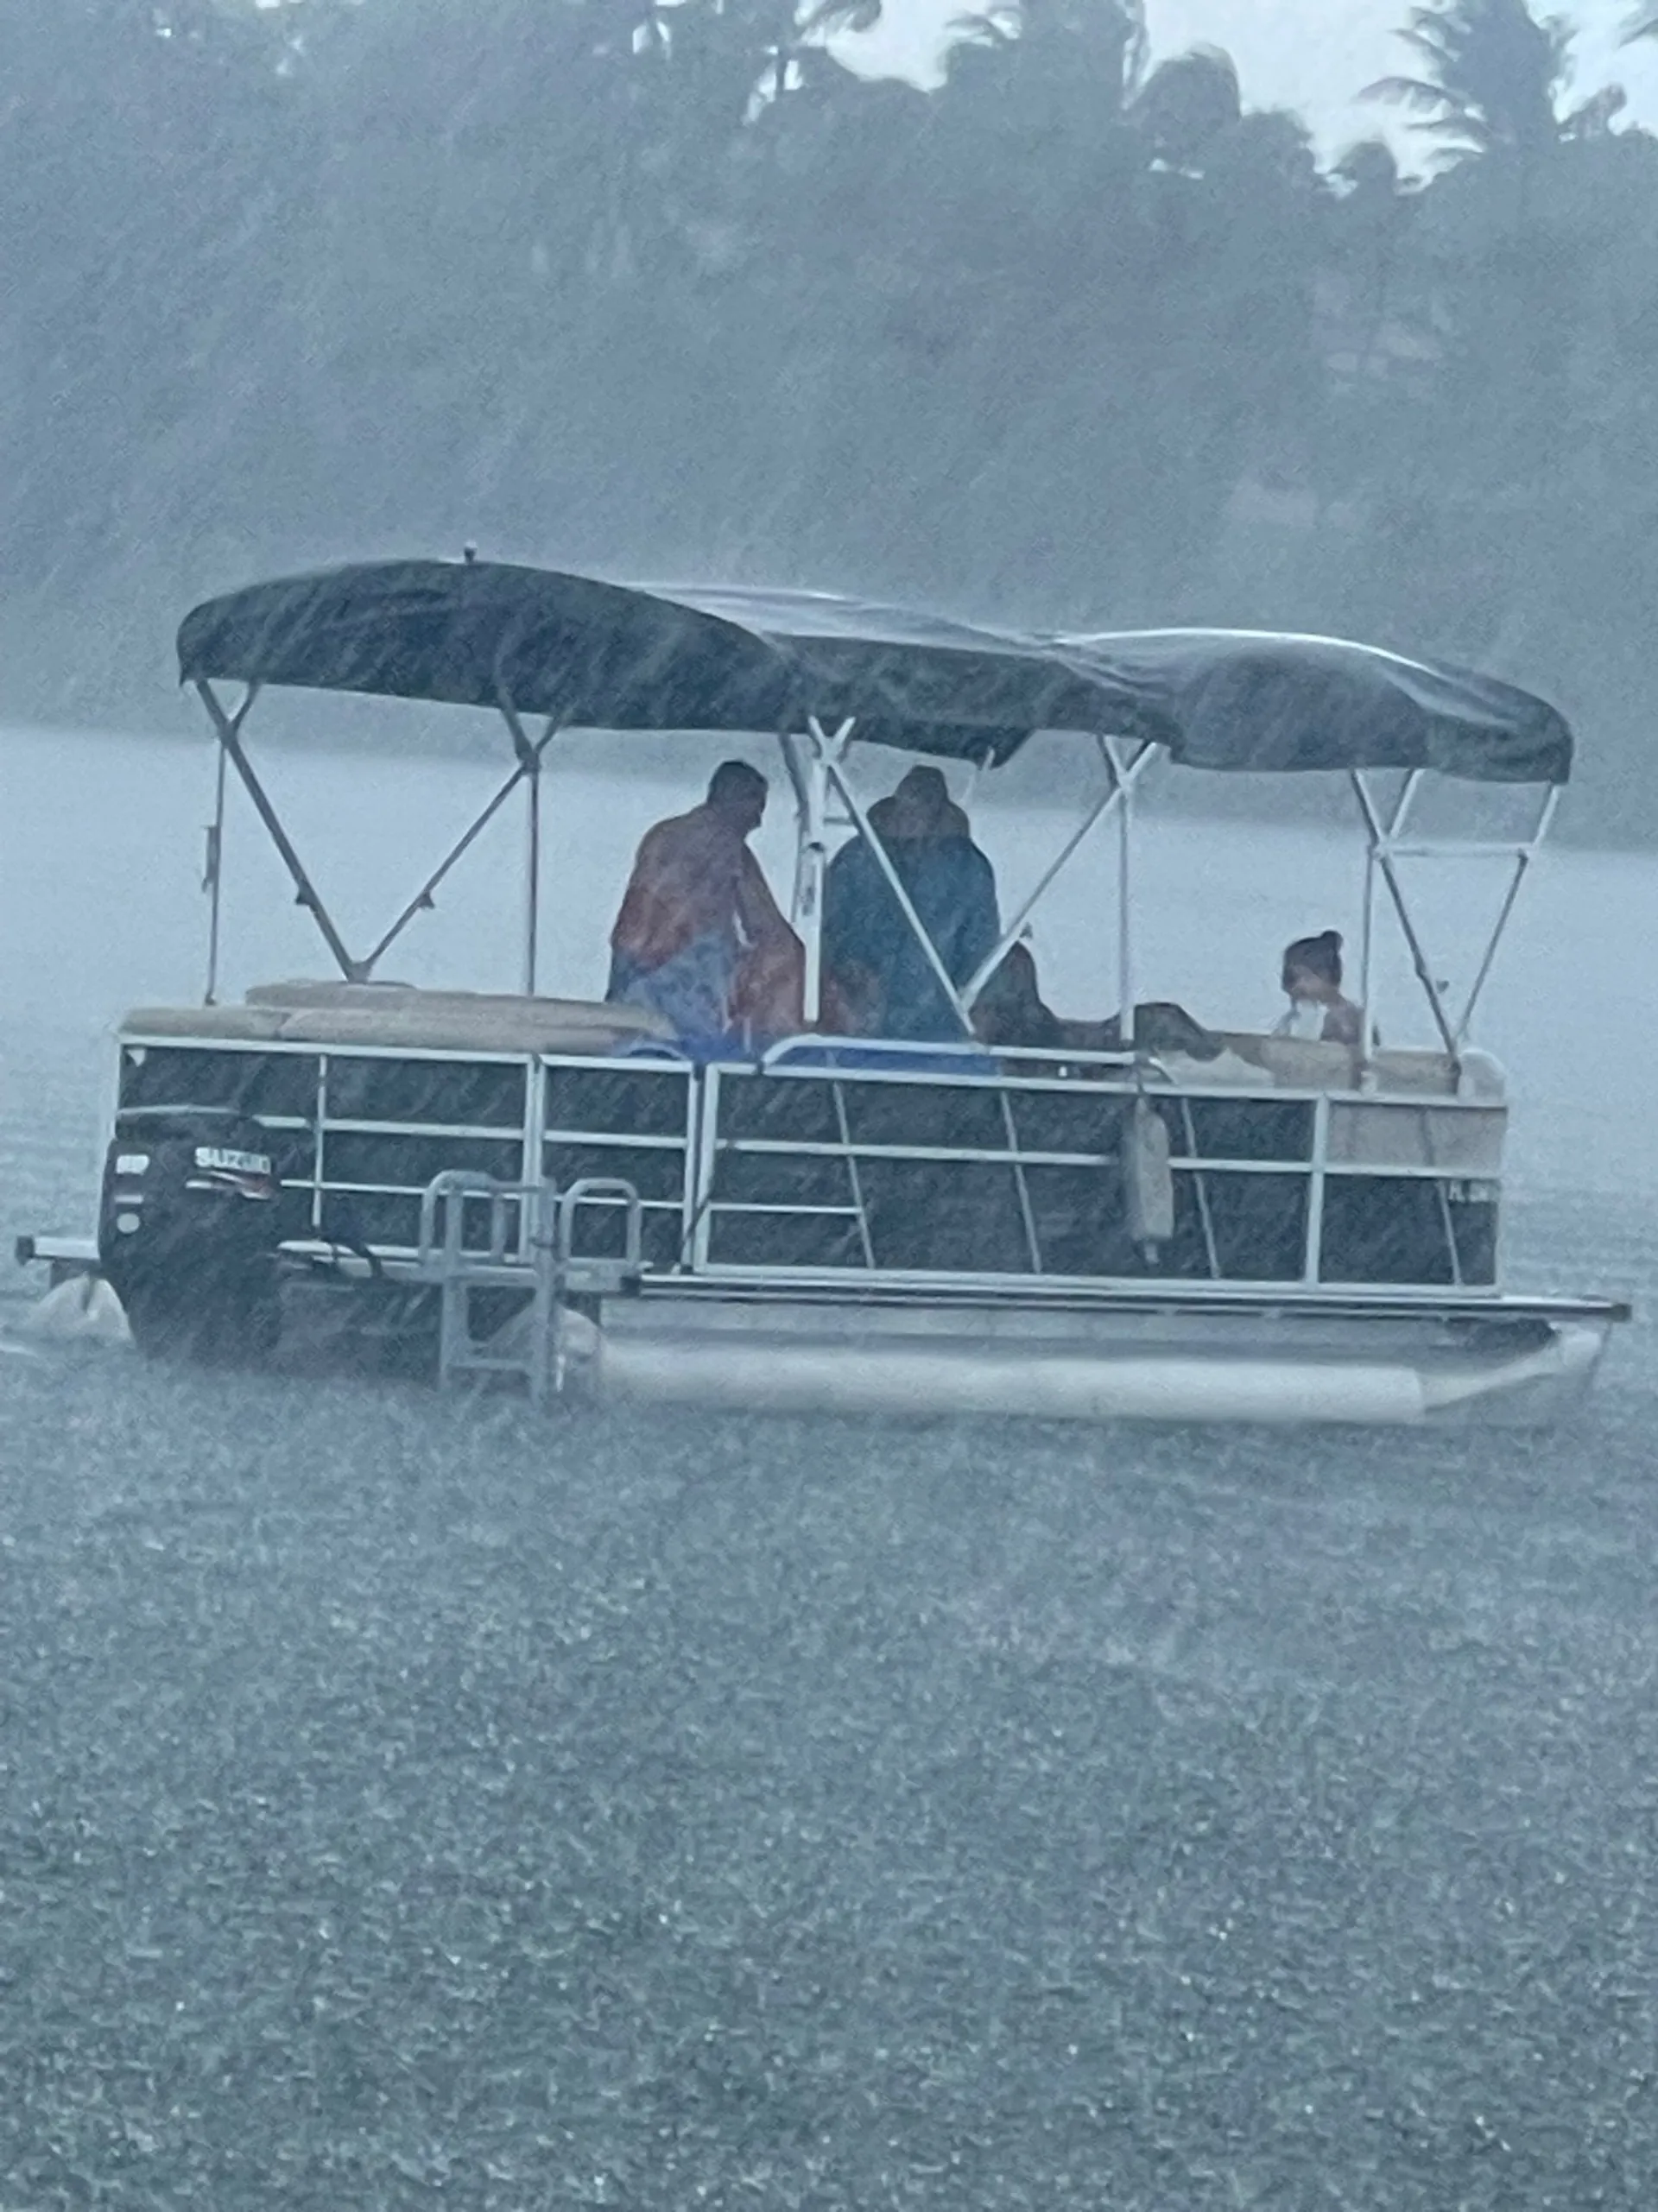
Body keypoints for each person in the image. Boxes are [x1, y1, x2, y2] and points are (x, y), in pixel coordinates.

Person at [607, 761, 803, 1041]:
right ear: (735, 798)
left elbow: (640, 920)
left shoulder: (661, 835)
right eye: (757, 807)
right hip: (686, 978)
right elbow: (765, 923)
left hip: (631, 977)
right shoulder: (728, 846)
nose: (758, 822)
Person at [823, 765, 1001, 1041]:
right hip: (859, 1016)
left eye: (925, 802)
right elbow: (831, 930)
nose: (912, 812)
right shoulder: (856, 857)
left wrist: (969, 1000)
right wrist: (852, 972)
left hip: (939, 1020)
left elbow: (981, 948)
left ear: (939, 812)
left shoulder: (967, 867)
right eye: (908, 801)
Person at [1275, 929, 1363, 1046]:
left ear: (1325, 976)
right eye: (1289, 979)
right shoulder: (1296, 1017)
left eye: (1305, 978)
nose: (1292, 987)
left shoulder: (1350, 1020)